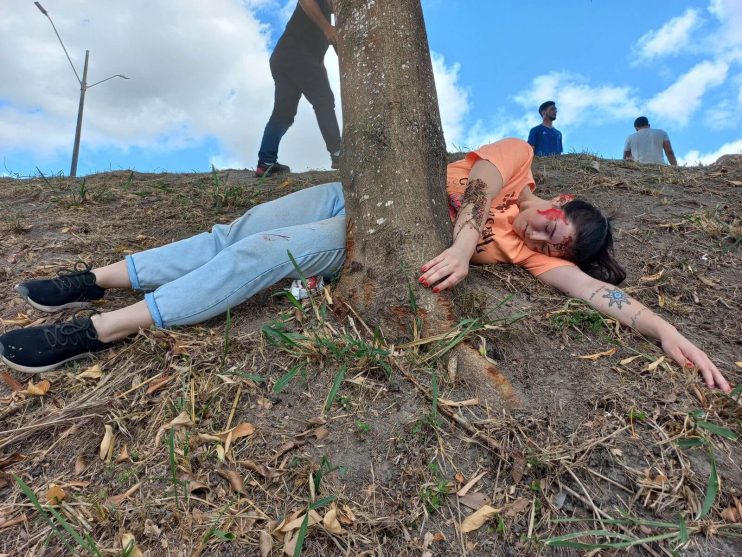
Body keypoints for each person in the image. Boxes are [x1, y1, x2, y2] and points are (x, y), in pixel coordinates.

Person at [0, 140, 730, 392]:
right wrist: (462, 244)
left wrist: (667, 333)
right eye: (551, 225)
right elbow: (474, 184)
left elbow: (594, 295)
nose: (541, 239)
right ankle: (92, 279)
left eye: (554, 245)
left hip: (366, 232)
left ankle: (98, 329)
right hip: (357, 192)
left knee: (258, 255)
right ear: (559, 198)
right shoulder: (518, 161)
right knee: (235, 228)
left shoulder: (527, 254)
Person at [255, 0, 341, 178]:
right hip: (293, 54)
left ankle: (266, 162)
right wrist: (327, 28)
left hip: (284, 58)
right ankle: (338, 153)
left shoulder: (326, 23)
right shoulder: (319, 10)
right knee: (323, 101)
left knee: (283, 114)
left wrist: (325, 87)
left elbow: (318, 62)